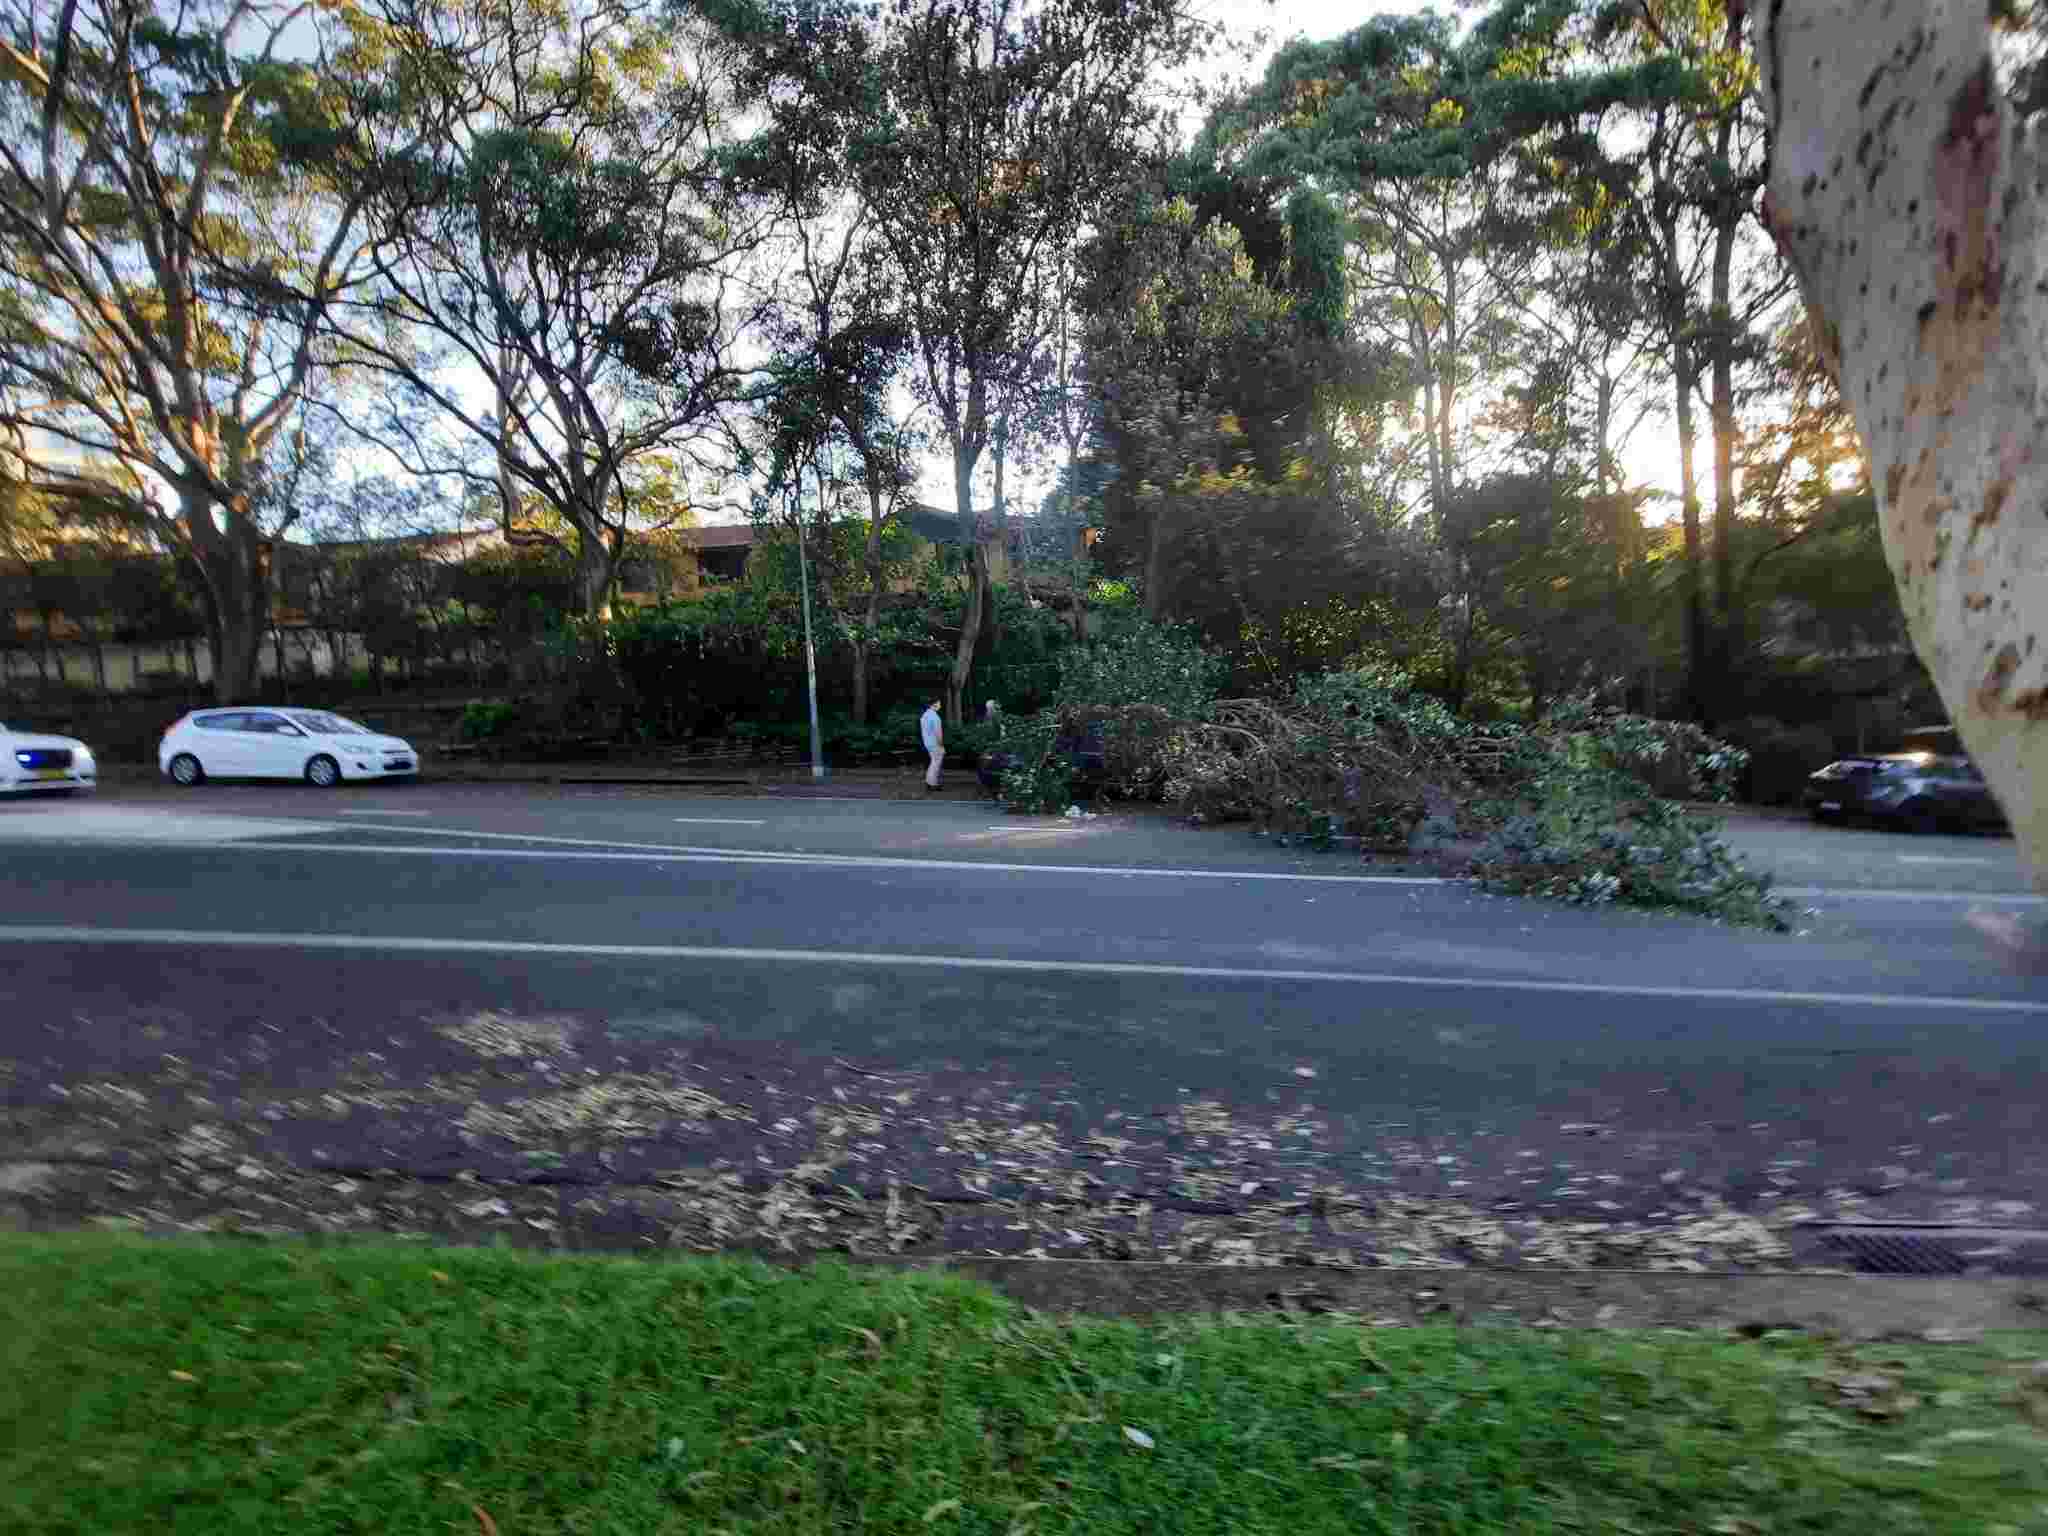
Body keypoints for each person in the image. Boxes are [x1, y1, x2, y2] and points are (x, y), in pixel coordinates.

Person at [920, 698, 945, 791]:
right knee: (935, 764)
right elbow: (938, 733)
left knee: (933, 763)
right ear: (933, 705)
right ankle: (932, 784)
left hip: (927, 743)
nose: (940, 706)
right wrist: (941, 745)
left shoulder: (924, 715)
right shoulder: (935, 717)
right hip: (935, 743)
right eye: (939, 704)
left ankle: (930, 782)